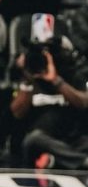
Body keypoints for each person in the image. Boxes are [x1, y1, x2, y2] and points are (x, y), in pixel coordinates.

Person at [10, 39, 88, 169]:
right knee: (34, 140)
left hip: (72, 140)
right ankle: (80, 161)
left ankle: (56, 160)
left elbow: (83, 103)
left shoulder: (73, 76)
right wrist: (27, 79)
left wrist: (55, 80)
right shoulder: (29, 81)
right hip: (41, 140)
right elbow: (17, 113)